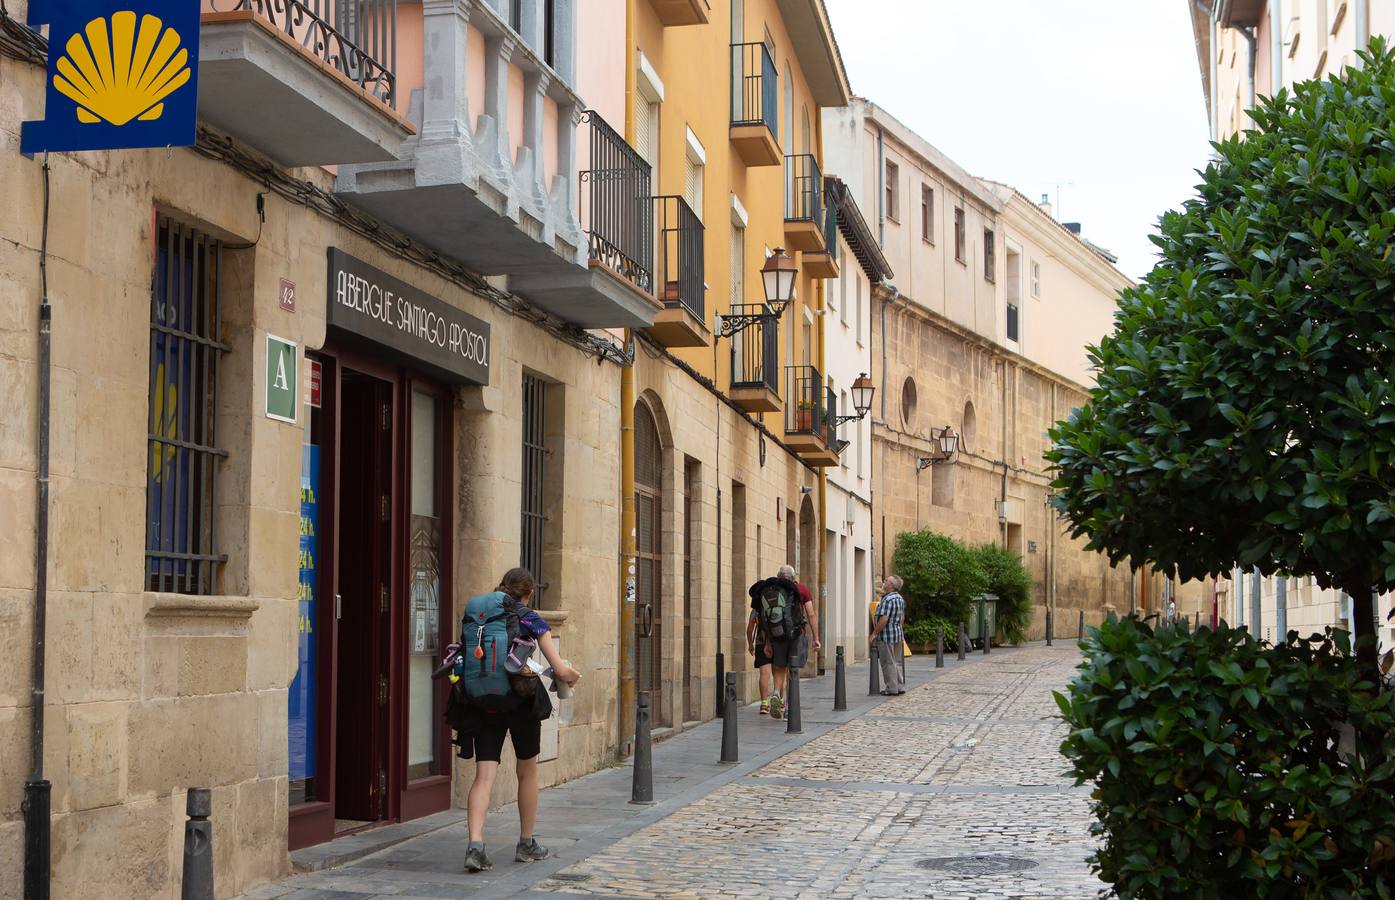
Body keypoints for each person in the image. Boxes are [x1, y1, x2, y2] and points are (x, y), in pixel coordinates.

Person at [447, 568, 580, 873]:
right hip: (521, 704)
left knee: (484, 775)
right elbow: (559, 669)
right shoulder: (529, 617)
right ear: (529, 592)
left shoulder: (479, 614)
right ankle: (526, 843)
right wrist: (572, 676)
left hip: (482, 702)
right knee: (527, 772)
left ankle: (476, 845)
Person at [748, 565, 820, 720]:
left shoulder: (770, 590)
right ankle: (787, 707)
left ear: (778, 576)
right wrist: (816, 638)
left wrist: (767, 643)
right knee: (792, 671)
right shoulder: (801, 589)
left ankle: (775, 693)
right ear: (793, 577)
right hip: (795, 636)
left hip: (776, 636)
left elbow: (765, 620)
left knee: (779, 667)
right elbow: (811, 614)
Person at [870, 574, 906, 695]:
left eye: (886, 581)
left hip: (886, 636)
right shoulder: (900, 598)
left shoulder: (888, 599)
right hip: (898, 634)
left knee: (887, 662)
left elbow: (884, 619)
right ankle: (899, 686)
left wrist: (874, 633)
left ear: (891, 585)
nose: (884, 582)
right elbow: (902, 617)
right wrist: (898, 628)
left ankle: (891, 688)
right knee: (896, 662)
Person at [746, 608, 774, 714]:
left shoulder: (756, 607)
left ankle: (764, 704)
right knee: (779, 673)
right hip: (778, 642)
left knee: (764, 673)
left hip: (761, 642)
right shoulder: (779, 601)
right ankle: (780, 701)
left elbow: (749, 629)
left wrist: (750, 645)